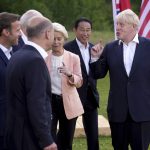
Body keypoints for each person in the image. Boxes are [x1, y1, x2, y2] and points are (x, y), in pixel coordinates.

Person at [90, 9, 150, 150]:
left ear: (133, 26)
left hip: (143, 111)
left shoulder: (148, 46)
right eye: (117, 24)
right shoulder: (110, 48)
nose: (117, 28)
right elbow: (99, 74)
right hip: (118, 112)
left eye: (122, 24)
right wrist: (95, 58)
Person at [5, 16, 57, 150]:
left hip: (15, 133)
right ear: (47, 34)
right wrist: (46, 140)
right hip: (28, 138)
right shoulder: (35, 61)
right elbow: (37, 104)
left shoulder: (17, 55)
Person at [45, 22, 84, 150]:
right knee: (48, 138)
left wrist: (70, 74)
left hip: (68, 103)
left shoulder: (74, 58)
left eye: (59, 39)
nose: (56, 42)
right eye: (53, 39)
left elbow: (79, 82)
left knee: (66, 141)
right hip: (49, 102)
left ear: (64, 39)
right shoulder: (44, 57)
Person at [64, 17, 99, 150]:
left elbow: (95, 73)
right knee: (67, 133)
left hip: (91, 96)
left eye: (88, 30)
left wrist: (97, 58)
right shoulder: (67, 48)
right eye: (82, 30)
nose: (85, 33)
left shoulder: (93, 48)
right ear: (75, 30)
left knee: (93, 134)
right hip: (73, 95)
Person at [0, 12, 21, 150]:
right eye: (18, 30)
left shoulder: (15, 53)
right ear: (6, 32)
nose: (20, 34)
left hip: (14, 126)